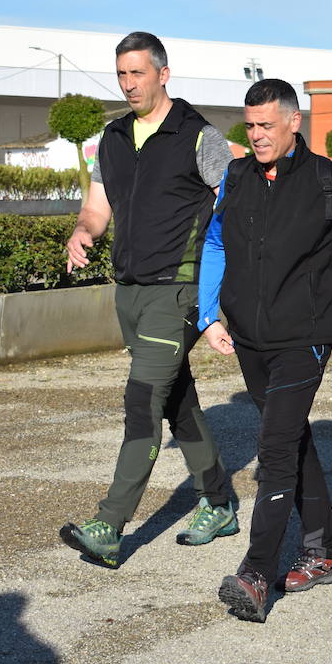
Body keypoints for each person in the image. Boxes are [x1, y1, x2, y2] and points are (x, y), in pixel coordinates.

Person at [201, 79, 332, 622]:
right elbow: (214, 243)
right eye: (250, 125)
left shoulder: (329, 181)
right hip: (248, 338)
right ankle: (324, 552)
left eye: (266, 125)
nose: (257, 135)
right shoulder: (235, 177)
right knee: (292, 436)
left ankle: (258, 572)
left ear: (293, 123)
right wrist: (208, 314)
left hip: (304, 338)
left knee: (276, 448)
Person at [60, 31, 236, 568]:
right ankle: (221, 503)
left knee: (142, 402)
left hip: (177, 289)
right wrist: (83, 232)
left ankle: (110, 527)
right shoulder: (112, 138)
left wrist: (215, 298)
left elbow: (233, 205)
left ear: (163, 73)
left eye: (138, 73)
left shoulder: (198, 135)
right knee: (176, 399)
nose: (129, 83)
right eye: (121, 74)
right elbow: (98, 206)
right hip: (129, 291)